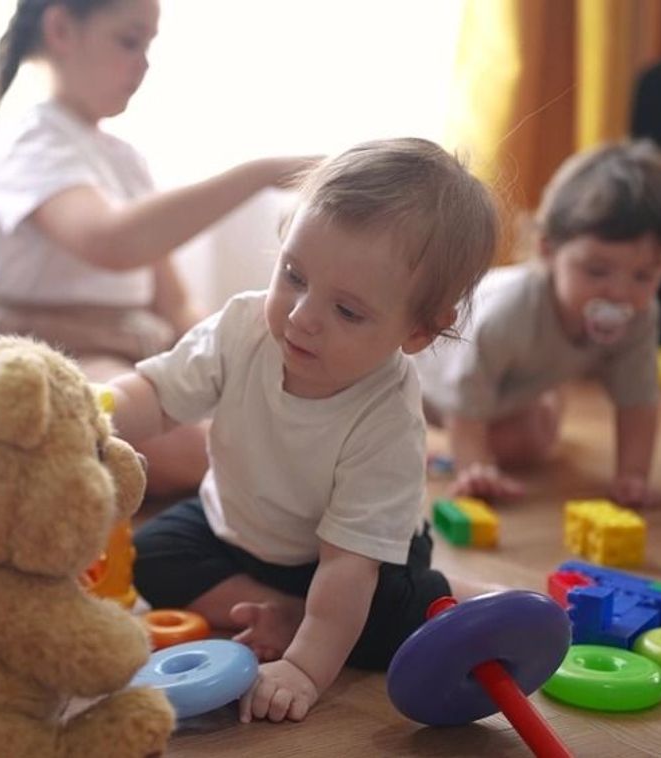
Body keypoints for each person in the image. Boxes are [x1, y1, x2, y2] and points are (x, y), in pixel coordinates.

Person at [107, 139, 500, 723]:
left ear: (418, 332)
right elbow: (157, 398)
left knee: (382, 624)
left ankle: (462, 598)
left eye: (346, 311)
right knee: (153, 558)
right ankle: (288, 610)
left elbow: (345, 567)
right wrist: (85, 413)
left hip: (350, 556)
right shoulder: (244, 326)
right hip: (235, 525)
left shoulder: (387, 418)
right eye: (293, 275)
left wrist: (303, 667)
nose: (301, 316)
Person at [0, 0, 315, 494]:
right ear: (60, 29)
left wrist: (240, 360)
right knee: (188, 448)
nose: (143, 63)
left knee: (278, 410)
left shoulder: (124, 159)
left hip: (137, 345)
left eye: (149, 45)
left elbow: (175, 300)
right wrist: (260, 174)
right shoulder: (29, 138)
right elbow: (110, 239)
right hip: (57, 351)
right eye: (128, 40)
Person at [415, 140, 661, 509]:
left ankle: (545, 401)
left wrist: (633, 476)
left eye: (644, 276)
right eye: (597, 270)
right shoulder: (510, 309)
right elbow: (466, 394)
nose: (619, 292)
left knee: (535, 443)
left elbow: (639, 401)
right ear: (548, 249)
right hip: (425, 385)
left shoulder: (641, 316)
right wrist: (475, 467)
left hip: (503, 393)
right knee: (394, 436)